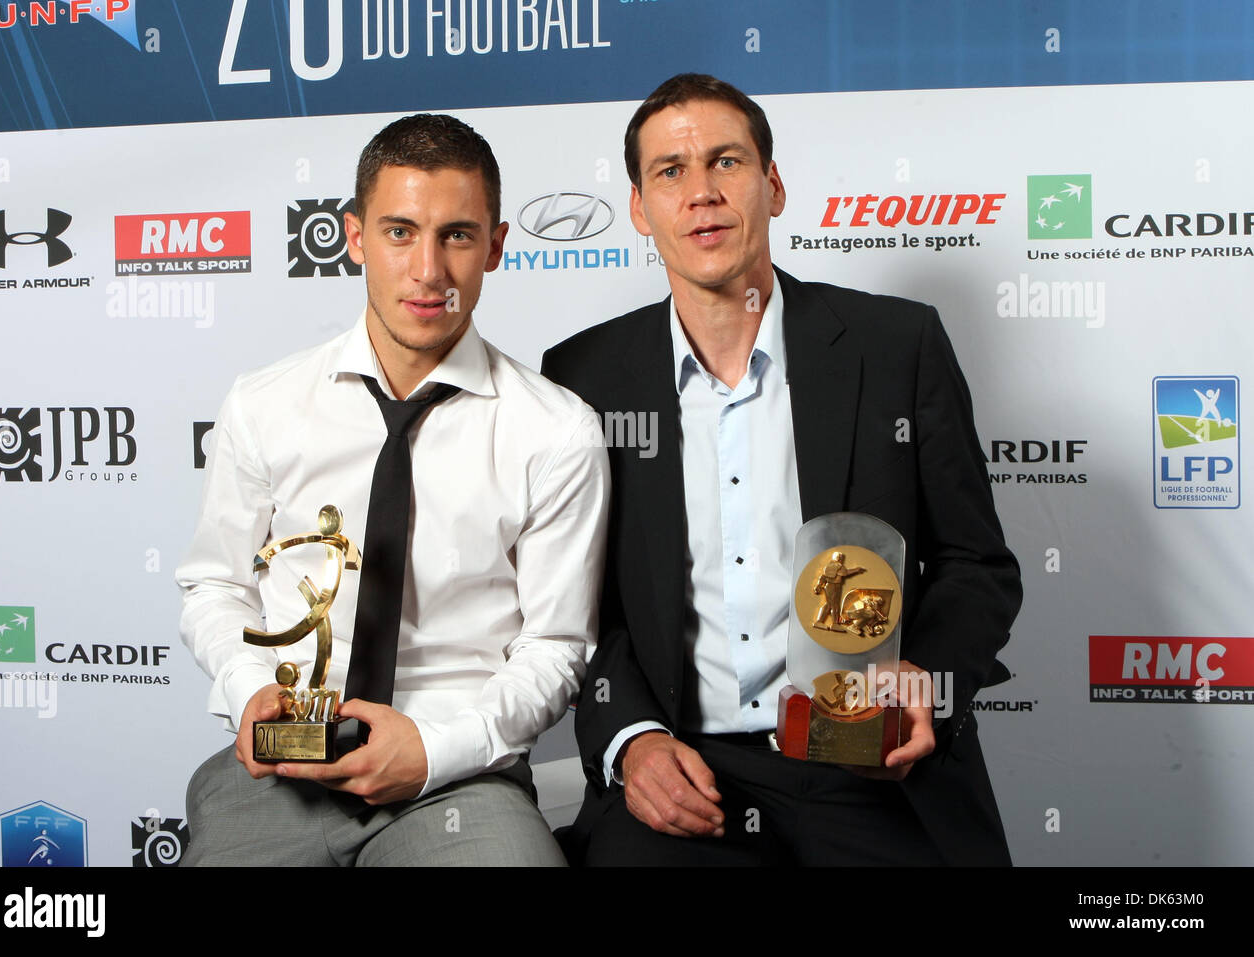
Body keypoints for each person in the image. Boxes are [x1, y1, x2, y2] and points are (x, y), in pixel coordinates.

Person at [541, 74, 1022, 866]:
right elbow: (578, 608)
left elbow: (979, 565)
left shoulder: (897, 345)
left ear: (773, 185)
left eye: (726, 163)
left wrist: (923, 676)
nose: (701, 194)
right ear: (638, 209)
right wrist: (631, 741)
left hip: (866, 758)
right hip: (688, 763)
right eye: (670, 172)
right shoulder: (585, 376)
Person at [176, 114, 609, 866]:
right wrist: (251, 689)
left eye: (457, 236)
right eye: (400, 232)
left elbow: (555, 649)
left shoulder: (554, 429)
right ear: (354, 238)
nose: (428, 270)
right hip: (284, 775)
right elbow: (215, 585)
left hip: (459, 780)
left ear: (496, 247)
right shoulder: (265, 403)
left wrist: (431, 750)